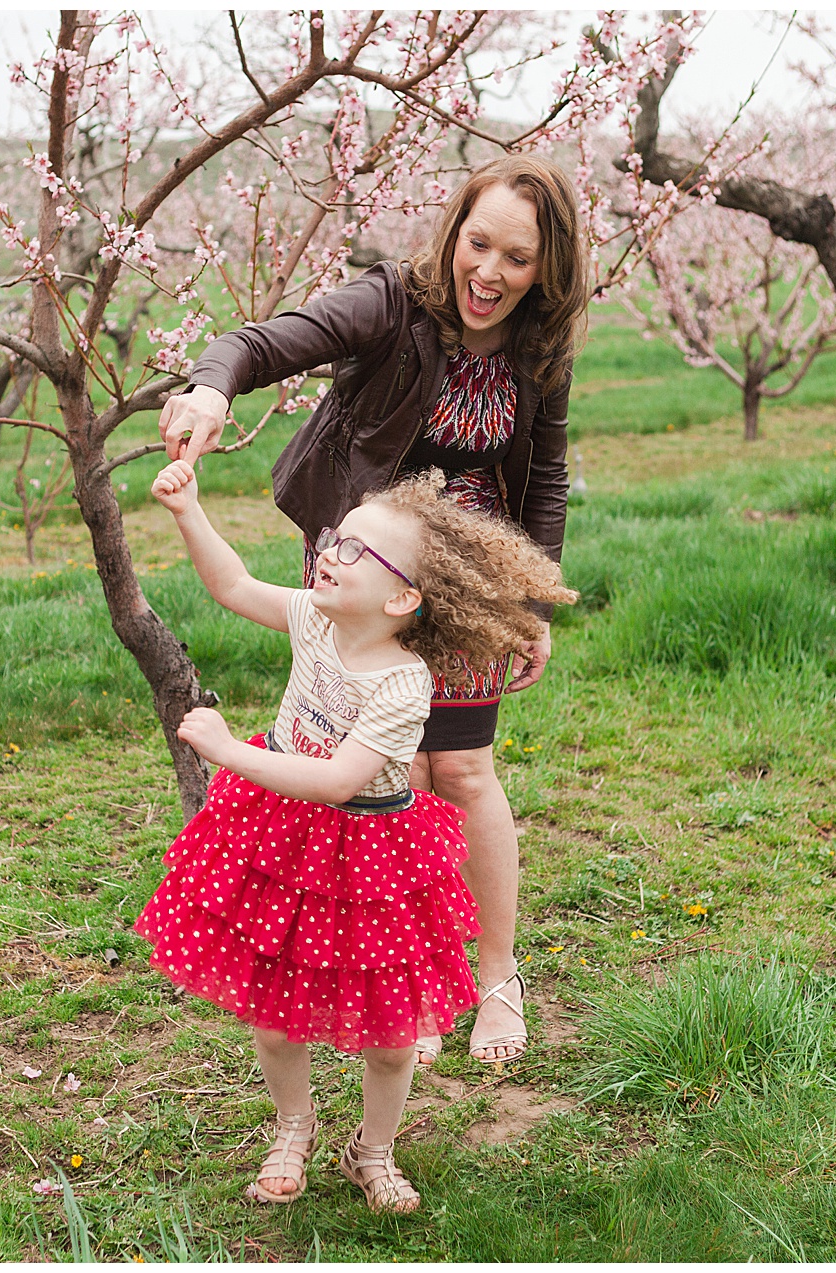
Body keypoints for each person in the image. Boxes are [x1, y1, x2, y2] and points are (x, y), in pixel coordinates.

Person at [158, 154, 588, 1065]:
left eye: (517, 258)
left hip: (467, 588)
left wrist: (535, 599)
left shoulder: (541, 348)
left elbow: (543, 474)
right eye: (479, 244)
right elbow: (272, 338)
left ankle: (498, 973)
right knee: (395, 787)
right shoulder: (394, 303)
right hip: (365, 576)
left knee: (464, 773)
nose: (491, 273)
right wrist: (210, 384)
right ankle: (418, 987)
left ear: (545, 268)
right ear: (454, 231)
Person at [134, 462, 576, 1212]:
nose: (330, 555)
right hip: (285, 837)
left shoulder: (404, 685)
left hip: (372, 853)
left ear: (403, 597)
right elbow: (235, 586)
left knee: (393, 1034)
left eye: (355, 552)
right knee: (276, 1014)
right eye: (337, 540)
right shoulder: (315, 615)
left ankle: (371, 1148)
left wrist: (224, 748)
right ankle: (293, 1126)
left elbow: (340, 780)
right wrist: (188, 510)